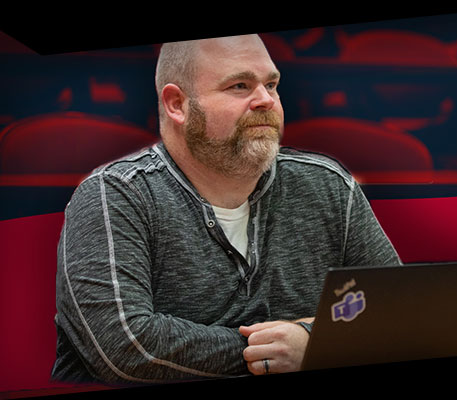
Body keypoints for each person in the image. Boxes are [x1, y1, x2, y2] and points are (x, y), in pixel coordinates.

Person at [51, 34, 400, 384]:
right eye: (239, 86)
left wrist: (312, 340)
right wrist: (297, 347)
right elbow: (125, 348)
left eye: (272, 84)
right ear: (177, 104)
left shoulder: (330, 185)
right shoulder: (114, 195)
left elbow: (396, 311)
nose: (266, 100)